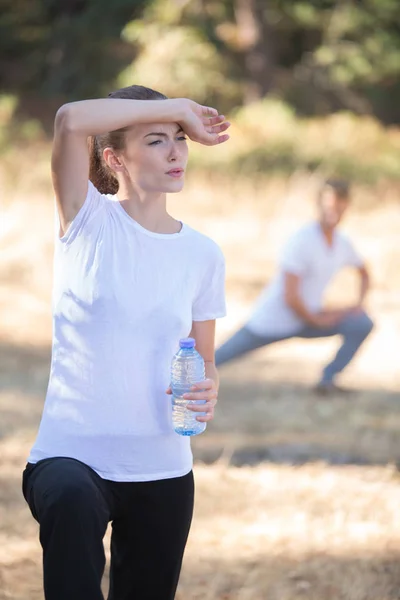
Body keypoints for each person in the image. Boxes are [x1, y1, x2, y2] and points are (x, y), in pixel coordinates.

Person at [22, 85, 230, 600]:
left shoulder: (203, 255)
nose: (177, 150)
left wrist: (208, 386)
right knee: (70, 499)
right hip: (71, 459)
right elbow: (71, 118)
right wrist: (177, 107)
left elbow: (202, 359)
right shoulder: (85, 219)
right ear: (114, 158)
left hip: (163, 469)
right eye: (157, 140)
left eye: (179, 138)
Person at [215, 179, 373, 394]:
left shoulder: (342, 243)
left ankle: (327, 382)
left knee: (361, 323)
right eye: (328, 206)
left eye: (338, 206)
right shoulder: (302, 240)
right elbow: (290, 296)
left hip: (308, 318)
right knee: (219, 357)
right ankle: (176, 383)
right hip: (274, 320)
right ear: (319, 205)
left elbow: (364, 272)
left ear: (346, 206)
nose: (333, 212)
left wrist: (358, 304)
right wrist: (317, 319)